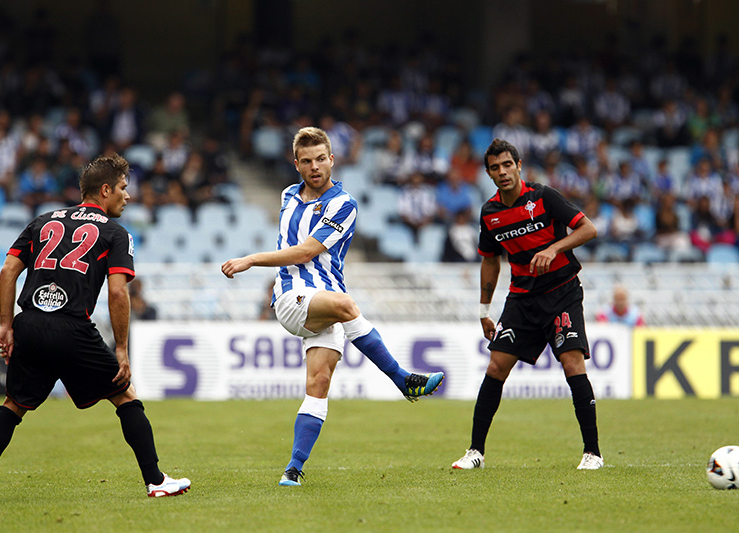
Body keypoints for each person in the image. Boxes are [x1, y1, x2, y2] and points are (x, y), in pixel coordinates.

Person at [221, 127, 443, 487]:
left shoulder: (344, 204)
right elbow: (298, 254)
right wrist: (255, 260)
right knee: (345, 304)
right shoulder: (288, 196)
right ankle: (401, 379)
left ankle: (293, 468)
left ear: (332, 160)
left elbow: (309, 250)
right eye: (306, 161)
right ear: (296, 164)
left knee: (319, 382)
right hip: (292, 298)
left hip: (322, 305)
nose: (315, 166)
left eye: (321, 159)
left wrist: (250, 259)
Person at [0, 154, 190, 500]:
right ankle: (156, 481)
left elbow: (8, 271)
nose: (127, 196)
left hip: (29, 324)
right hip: (72, 327)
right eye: (123, 188)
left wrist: (5, 325)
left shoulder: (42, 221)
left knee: (13, 404)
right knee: (124, 395)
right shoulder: (116, 233)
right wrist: (120, 348)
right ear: (105, 190)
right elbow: (118, 292)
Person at [451, 139, 603, 472]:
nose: (502, 172)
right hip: (521, 298)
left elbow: (588, 228)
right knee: (495, 367)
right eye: (495, 167)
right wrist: (483, 310)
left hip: (562, 291)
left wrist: (554, 249)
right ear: (488, 173)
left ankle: (593, 453)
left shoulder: (544, 197)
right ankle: (476, 451)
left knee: (572, 364)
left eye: (508, 165)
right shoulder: (490, 214)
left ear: (519, 166)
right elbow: (490, 261)